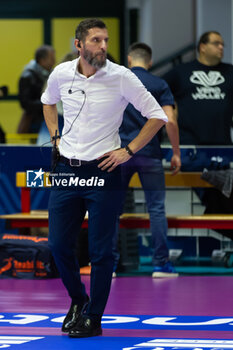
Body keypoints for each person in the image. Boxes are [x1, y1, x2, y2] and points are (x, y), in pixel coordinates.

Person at [41, 18, 168, 338]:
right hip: (67, 170)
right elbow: (47, 103)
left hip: (105, 169)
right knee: (58, 244)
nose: (103, 46)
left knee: (101, 251)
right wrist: (55, 136)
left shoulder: (121, 77)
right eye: (96, 40)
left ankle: (94, 317)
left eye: (106, 40)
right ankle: (78, 300)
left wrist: (130, 149)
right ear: (79, 45)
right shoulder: (61, 73)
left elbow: (158, 116)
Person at [112, 43, 181, 278]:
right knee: (156, 209)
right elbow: (169, 121)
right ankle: (161, 265)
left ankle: (108, 265)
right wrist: (176, 152)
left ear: (129, 59)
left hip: (119, 153)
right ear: (149, 62)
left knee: (112, 210)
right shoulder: (159, 84)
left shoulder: (118, 81)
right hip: (150, 153)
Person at [163, 31, 233, 146]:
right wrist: (170, 112)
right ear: (202, 47)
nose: (221, 47)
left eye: (222, 44)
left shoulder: (230, 72)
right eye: (216, 43)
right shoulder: (182, 71)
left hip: (222, 143)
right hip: (189, 144)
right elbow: (157, 89)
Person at [18, 45, 56, 134]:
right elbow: (25, 103)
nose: (54, 61)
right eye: (52, 58)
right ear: (42, 60)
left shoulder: (52, 74)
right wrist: (48, 103)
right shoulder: (28, 76)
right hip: (35, 122)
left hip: (50, 119)